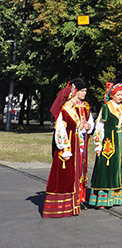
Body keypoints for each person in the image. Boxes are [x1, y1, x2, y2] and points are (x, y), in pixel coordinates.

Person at [42, 79, 88, 218]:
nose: (76, 99)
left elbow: (76, 127)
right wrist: (64, 149)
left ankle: (70, 206)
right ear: (70, 96)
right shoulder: (63, 112)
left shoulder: (72, 111)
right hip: (67, 148)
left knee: (72, 176)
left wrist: (82, 127)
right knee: (63, 178)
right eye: (75, 96)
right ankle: (58, 207)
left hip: (75, 144)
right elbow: (60, 132)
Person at [88, 82, 122, 208]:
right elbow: (100, 126)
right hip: (109, 141)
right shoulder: (106, 108)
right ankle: (103, 198)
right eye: (118, 94)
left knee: (119, 167)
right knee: (107, 168)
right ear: (112, 95)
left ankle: (116, 198)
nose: (120, 97)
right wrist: (98, 144)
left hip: (120, 141)